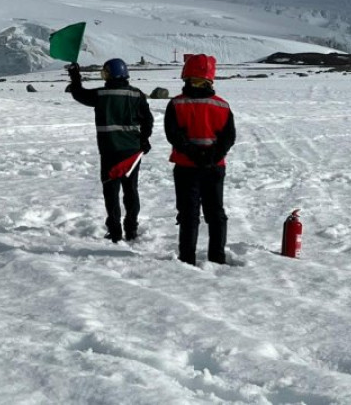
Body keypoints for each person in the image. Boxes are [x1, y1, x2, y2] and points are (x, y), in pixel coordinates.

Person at [67, 58, 154, 243]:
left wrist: (75, 77)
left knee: (111, 192)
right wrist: (145, 139)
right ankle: (131, 229)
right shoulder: (137, 94)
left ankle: (115, 231)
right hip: (132, 150)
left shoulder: (101, 94)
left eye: (105, 72)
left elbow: (79, 94)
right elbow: (148, 119)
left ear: (110, 73)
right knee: (131, 191)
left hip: (109, 151)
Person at [164, 53, 236, 265]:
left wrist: (194, 154)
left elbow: (173, 134)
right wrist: (212, 156)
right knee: (215, 214)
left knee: (189, 215)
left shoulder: (176, 104)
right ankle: (217, 257)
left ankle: (187, 259)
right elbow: (228, 137)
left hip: (187, 167)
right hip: (214, 168)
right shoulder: (222, 106)